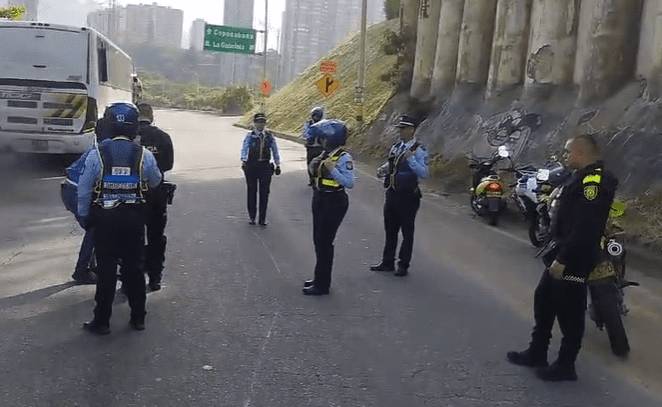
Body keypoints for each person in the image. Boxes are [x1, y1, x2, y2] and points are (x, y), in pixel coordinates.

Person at [507, 134, 617, 381]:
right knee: (544, 299)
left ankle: (566, 365)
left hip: (574, 255)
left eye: (568, 152)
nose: (565, 156)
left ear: (582, 152)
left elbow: (586, 227)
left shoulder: (594, 182)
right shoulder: (579, 176)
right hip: (562, 249)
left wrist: (564, 258)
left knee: (570, 311)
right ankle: (537, 351)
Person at [77, 101, 162, 335]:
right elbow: (155, 181)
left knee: (106, 272)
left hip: (105, 219)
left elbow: (84, 190)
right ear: (134, 127)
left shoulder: (97, 154)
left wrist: (84, 216)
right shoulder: (143, 154)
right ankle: (138, 318)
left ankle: (102, 322)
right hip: (134, 220)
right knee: (133, 270)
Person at [370, 115, 429, 277]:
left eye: (403, 129)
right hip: (392, 192)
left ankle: (403, 264)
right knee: (390, 228)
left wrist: (411, 160)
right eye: (399, 128)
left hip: (408, 195)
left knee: (407, 231)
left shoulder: (419, 149)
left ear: (411, 130)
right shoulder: (396, 146)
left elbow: (424, 173)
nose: (400, 131)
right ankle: (387, 261)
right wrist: (383, 170)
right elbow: (392, 163)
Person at [303, 119, 354, 295]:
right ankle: (319, 277)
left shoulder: (343, 158)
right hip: (320, 198)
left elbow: (349, 182)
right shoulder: (324, 155)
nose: (322, 141)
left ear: (332, 139)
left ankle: (323, 284)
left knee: (325, 243)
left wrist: (333, 169)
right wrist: (315, 164)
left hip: (334, 201)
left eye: (324, 139)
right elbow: (313, 172)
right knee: (318, 240)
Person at [137, 102, 174, 291]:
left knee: (131, 238)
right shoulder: (162, 137)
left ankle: (130, 279)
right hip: (155, 194)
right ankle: (154, 278)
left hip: (130, 194)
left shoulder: (128, 137)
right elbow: (168, 165)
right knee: (156, 238)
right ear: (151, 116)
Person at [240, 113, 281, 226]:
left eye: (262, 122)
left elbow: (275, 150)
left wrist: (277, 164)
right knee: (251, 191)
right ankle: (252, 217)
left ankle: (262, 218)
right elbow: (245, 148)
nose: (260, 124)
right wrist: (243, 161)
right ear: (254, 123)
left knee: (264, 193)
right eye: (258, 122)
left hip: (265, 166)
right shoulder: (250, 135)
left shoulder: (269, 136)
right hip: (252, 166)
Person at [303, 106, 325, 186]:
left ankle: (321, 178)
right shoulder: (308, 123)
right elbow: (305, 133)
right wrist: (307, 139)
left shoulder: (324, 124)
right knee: (309, 163)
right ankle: (312, 179)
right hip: (311, 147)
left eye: (318, 116)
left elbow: (328, 133)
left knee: (323, 163)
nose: (317, 117)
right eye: (315, 115)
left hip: (321, 147)